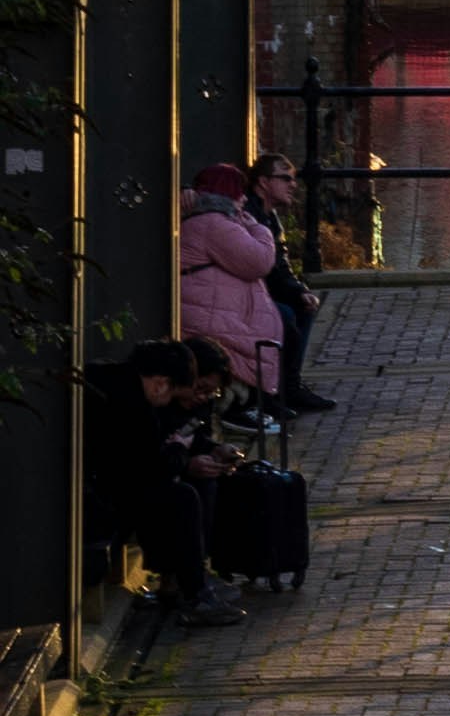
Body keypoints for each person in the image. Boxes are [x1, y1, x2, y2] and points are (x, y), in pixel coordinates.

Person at [84, 349, 242, 627]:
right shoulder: (133, 404)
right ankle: (193, 592)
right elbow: (153, 467)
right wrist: (180, 453)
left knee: (181, 493)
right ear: (160, 383)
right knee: (180, 498)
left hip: (106, 485)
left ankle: (188, 584)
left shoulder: (116, 383)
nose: (167, 401)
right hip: (101, 496)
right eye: (170, 394)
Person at [179, 169, 280, 403]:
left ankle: (250, 400)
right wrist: (258, 228)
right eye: (239, 192)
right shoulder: (214, 223)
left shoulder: (213, 221)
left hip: (211, 309)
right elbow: (259, 260)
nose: (244, 199)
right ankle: (238, 402)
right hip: (207, 313)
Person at [242, 153, 328, 414]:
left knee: (304, 306)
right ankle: (271, 391)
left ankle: (290, 386)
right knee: (285, 315)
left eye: (293, 178)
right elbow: (254, 265)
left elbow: (279, 266)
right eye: (285, 178)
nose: (293, 184)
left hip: (265, 291)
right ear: (264, 182)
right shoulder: (247, 214)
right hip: (247, 294)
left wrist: (299, 290)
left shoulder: (270, 217)